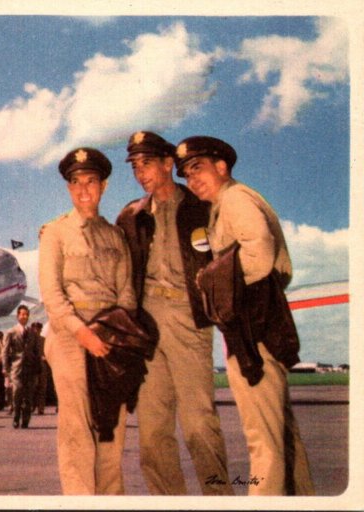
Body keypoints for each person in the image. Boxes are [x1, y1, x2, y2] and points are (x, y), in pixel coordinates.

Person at [176, 135, 314, 495]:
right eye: (187, 176)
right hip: (259, 323)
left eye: (198, 169)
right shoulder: (229, 202)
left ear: (222, 167)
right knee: (281, 433)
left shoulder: (235, 199)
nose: (193, 180)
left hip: (252, 327)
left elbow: (260, 253)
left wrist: (213, 288)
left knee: (262, 439)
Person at [115, 131, 232, 495]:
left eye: (147, 163)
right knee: (152, 434)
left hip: (188, 319)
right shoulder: (130, 216)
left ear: (169, 164)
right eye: (134, 166)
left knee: (199, 425)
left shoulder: (202, 208)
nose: (140, 172)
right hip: (146, 323)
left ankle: (220, 500)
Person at [38, 146, 136, 495]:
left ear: (104, 186)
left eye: (90, 182)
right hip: (69, 338)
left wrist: (113, 335)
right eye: (75, 182)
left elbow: (126, 295)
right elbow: (52, 294)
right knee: (78, 431)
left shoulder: (116, 237)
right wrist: (83, 334)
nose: (83, 190)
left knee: (112, 430)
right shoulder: (54, 233)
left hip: (111, 339)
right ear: (68, 188)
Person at [2, 305, 42, 429]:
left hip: (30, 368)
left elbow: (37, 351)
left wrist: (38, 367)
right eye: (22, 314)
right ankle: (16, 415)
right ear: (17, 316)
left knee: (29, 395)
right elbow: (5, 351)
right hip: (16, 368)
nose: (24, 316)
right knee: (17, 391)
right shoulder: (11, 332)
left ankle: (26, 419)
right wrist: (5, 367)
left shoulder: (32, 332)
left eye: (26, 314)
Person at [31, 322, 51, 415]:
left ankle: (41, 408)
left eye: (38, 329)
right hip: (32, 366)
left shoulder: (44, 340)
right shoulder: (28, 340)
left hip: (42, 366)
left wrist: (45, 357)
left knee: (42, 387)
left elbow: (48, 352)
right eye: (35, 328)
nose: (36, 330)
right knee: (33, 387)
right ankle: (32, 405)